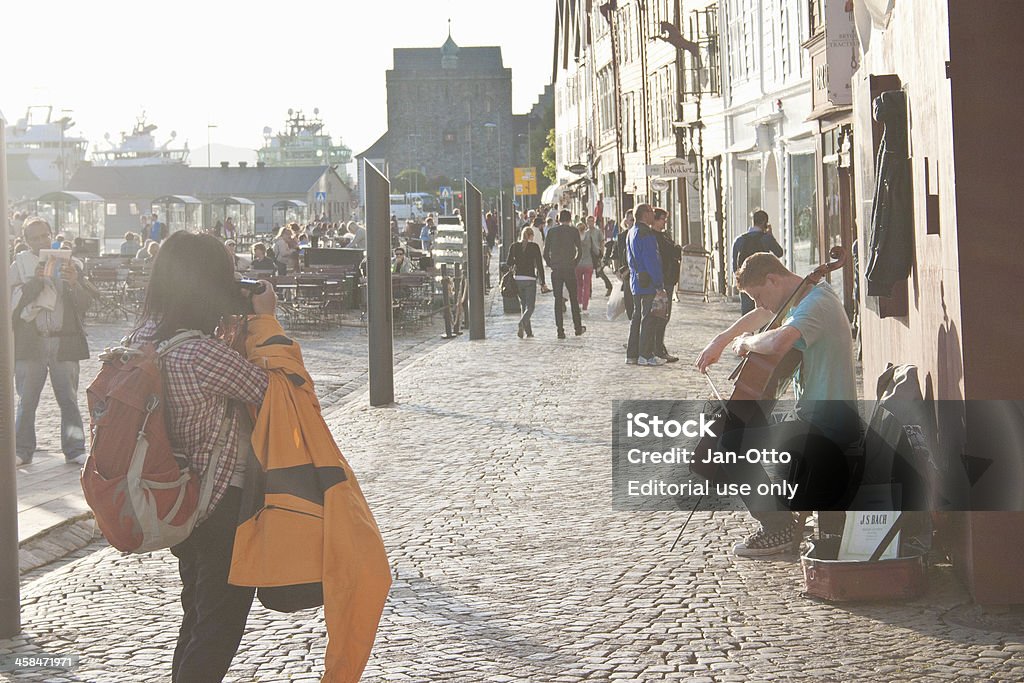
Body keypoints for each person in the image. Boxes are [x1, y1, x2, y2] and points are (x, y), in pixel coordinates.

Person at [130, 232, 277, 681]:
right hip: (221, 505)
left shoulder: (141, 340)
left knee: (196, 615)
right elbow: (277, 391)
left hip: (176, 498)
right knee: (217, 627)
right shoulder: (202, 354)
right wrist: (266, 320)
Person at [696, 252, 858, 557]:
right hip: (812, 416)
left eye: (759, 295)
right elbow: (761, 318)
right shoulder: (803, 297)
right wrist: (721, 340)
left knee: (730, 445)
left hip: (825, 425)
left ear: (773, 279)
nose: (761, 305)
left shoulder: (815, 305)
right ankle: (780, 517)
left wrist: (745, 343)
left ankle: (778, 527)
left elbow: (778, 341)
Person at [9, 217, 93, 466]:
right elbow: (12, 309)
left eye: (44, 236)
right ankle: (23, 450)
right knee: (27, 401)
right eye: (34, 238)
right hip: (31, 341)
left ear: (51, 235)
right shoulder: (18, 267)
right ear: (26, 241)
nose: (41, 241)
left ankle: (75, 448)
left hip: (62, 341)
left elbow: (85, 304)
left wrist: (74, 282)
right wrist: (33, 283)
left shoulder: (70, 264)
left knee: (68, 399)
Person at [625, 204, 665, 366]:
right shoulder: (645, 233)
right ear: (645, 214)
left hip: (636, 282)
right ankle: (646, 355)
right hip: (647, 282)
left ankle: (632, 354)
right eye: (651, 212)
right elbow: (651, 260)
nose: (653, 215)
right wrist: (658, 283)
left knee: (636, 318)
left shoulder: (631, 232)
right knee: (649, 319)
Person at [543, 209, 586, 339]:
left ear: (558, 219)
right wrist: (574, 263)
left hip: (556, 269)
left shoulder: (551, 231)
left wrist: (551, 264)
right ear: (570, 219)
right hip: (569, 268)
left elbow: (545, 253)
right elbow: (580, 250)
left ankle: (560, 331)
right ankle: (577, 328)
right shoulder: (573, 231)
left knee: (558, 300)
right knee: (573, 299)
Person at [732, 210, 784, 315]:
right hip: (763, 281)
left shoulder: (739, 240)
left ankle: (747, 332)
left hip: (746, 280)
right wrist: (771, 235)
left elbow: (734, 265)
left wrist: (739, 281)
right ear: (765, 222)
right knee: (764, 312)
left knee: (747, 314)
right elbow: (779, 253)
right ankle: (763, 331)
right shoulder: (766, 239)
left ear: (753, 221)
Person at [651, 207, 682, 362]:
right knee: (660, 315)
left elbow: (676, 251)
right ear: (655, 220)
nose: (665, 222)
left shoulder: (664, 236)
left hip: (669, 279)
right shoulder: (653, 237)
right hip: (661, 280)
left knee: (664, 315)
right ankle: (657, 349)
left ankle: (658, 346)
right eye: (663, 219)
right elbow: (669, 252)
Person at [506, 226, 546, 339]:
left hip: (518, 278)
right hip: (530, 279)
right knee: (531, 307)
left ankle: (528, 332)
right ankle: (522, 323)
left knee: (524, 305)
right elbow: (539, 265)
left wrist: (516, 260)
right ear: (531, 236)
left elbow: (509, 262)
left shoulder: (514, 246)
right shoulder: (534, 247)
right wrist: (542, 281)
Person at [575, 216, 604, 312]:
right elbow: (595, 250)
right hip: (588, 264)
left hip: (578, 264)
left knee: (579, 285)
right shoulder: (589, 236)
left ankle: (578, 303)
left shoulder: (576, 239)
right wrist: (600, 254)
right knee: (587, 285)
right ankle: (585, 305)